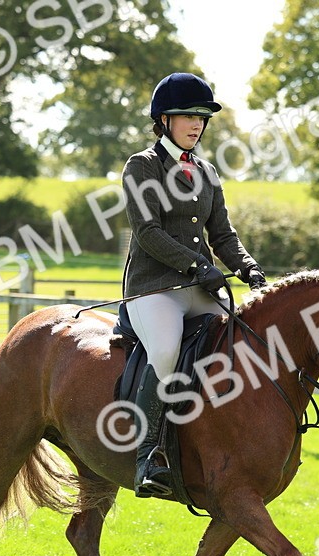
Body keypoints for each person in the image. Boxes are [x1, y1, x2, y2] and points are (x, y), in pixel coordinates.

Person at [121, 72, 266, 498]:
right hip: (154, 289)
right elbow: (147, 232)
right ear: (164, 120)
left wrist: (247, 265)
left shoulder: (206, 171)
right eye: (188, 115)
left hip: (200, 290)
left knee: (243, 342)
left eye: (202, 117)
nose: (196, 124)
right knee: (165, 350)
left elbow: (223, 233)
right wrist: (197, 266)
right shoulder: (142, 165)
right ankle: (147, 456)